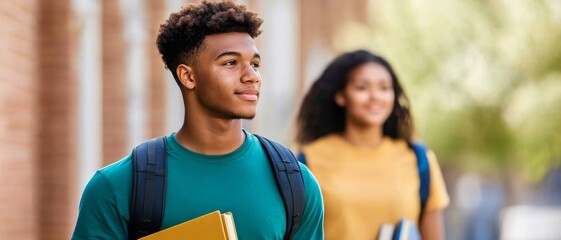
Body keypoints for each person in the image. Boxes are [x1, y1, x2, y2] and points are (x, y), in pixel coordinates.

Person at [71, 1, 324, 239]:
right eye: (230, 63)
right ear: (188, 77)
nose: (252, 76)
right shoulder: (117, 188)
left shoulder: (297, 185)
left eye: (255, 64)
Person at [295, 50, 449, 240]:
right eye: (362, 88)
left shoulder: (420, 160)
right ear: (341, 96)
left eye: (384, 88)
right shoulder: (308, 162)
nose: (375, 96)